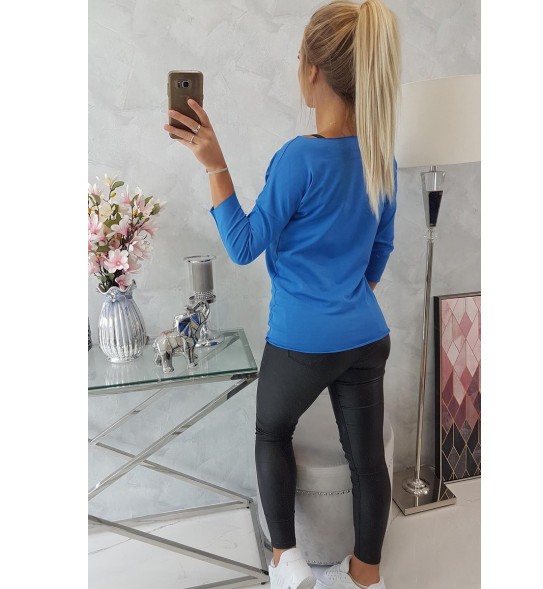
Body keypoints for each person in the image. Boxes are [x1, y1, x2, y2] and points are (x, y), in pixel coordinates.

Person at [163, 1, 401, 587]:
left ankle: (286, 562)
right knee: (367, 460)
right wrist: (346, 299)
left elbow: (244, 244)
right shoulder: (381, 158)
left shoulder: (299, 158)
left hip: (300, 343)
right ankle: (366, 575)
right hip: (367, 336)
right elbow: (381, 249)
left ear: (312, 70)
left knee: (272, 433)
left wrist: (214, 164)